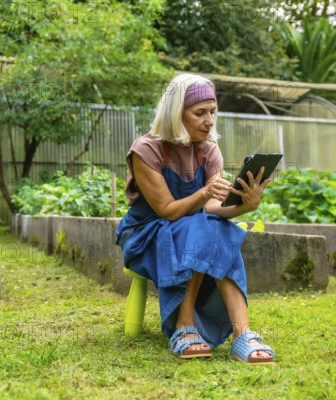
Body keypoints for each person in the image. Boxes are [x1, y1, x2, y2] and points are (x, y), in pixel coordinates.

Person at [116, 73, 275, 364]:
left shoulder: (208, 149)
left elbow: (214, 206)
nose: (209, 120)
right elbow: (166, 210)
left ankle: (243, 333)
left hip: (192, 230)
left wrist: (244, 207)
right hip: (146, 233)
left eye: (213, 112)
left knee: (218, 226)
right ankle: (184, 326)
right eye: (199, 113)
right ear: (176, 114)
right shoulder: (146, 149)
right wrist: (203, 195)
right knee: (199, 225)